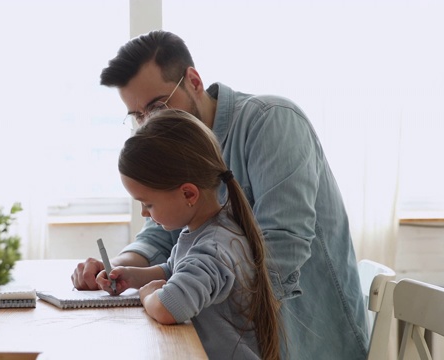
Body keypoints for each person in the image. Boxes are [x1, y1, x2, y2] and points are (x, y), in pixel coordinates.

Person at [72, 30, 368, 359]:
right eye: (138, 116)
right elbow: (163, 233)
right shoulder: (184, 162)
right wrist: (115, 270)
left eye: (156, 106)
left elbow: (281, 250)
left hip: (304, 344)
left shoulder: (271, 121)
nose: (149, 123)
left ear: (193, 81)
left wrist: (178, 293)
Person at [96, 109, 281, 360]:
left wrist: (147, 296)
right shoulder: (205, 230)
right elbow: (174, 271)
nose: (144, 214)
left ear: (188, 194)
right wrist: (133, 276)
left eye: (148, 204)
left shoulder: (214, 248)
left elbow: (170, 307)